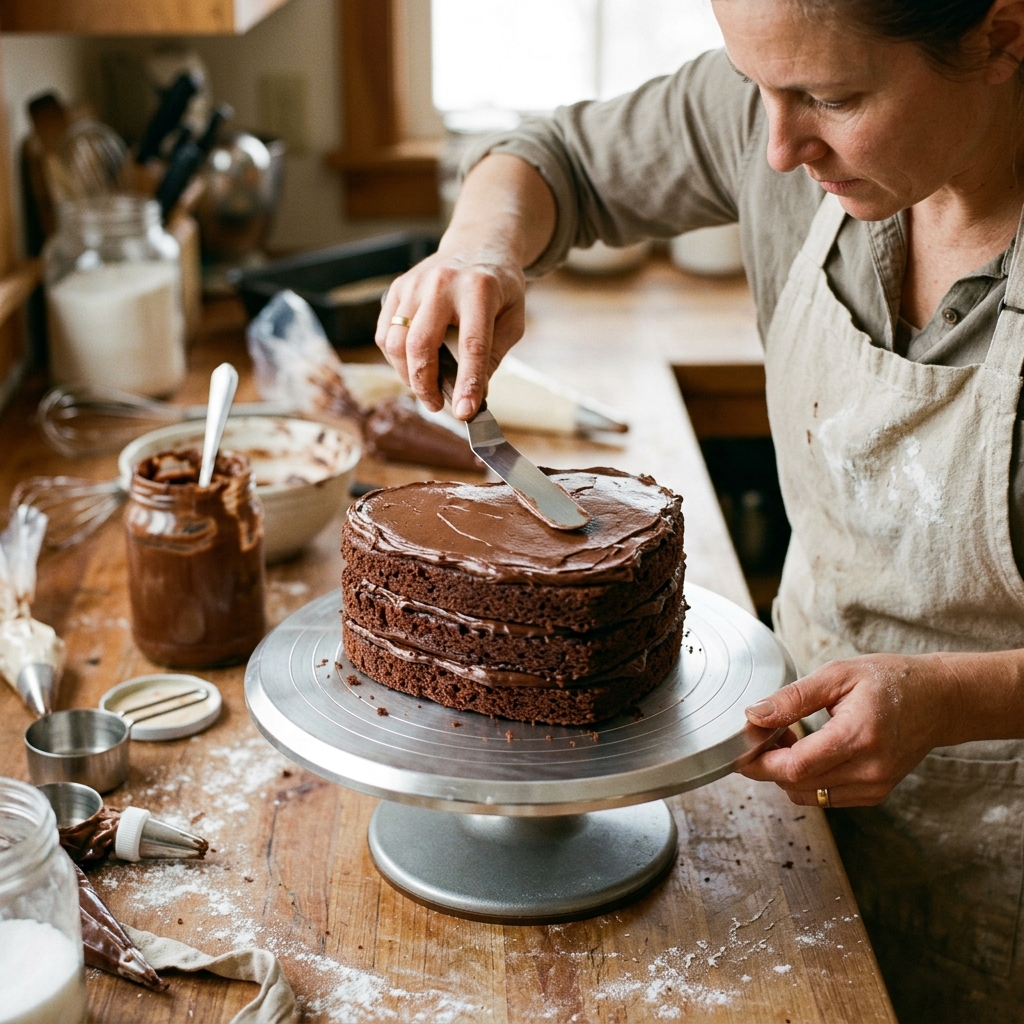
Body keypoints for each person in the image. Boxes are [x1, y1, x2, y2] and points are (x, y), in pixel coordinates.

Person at [375, 2, 1024, 1019]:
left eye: (833, 99)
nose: (776, 149)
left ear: (1000, 37)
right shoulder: (783, 113)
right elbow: (555, 162)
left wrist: (954, 699)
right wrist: (484, 248)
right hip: (797, 800)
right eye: (757, 87)